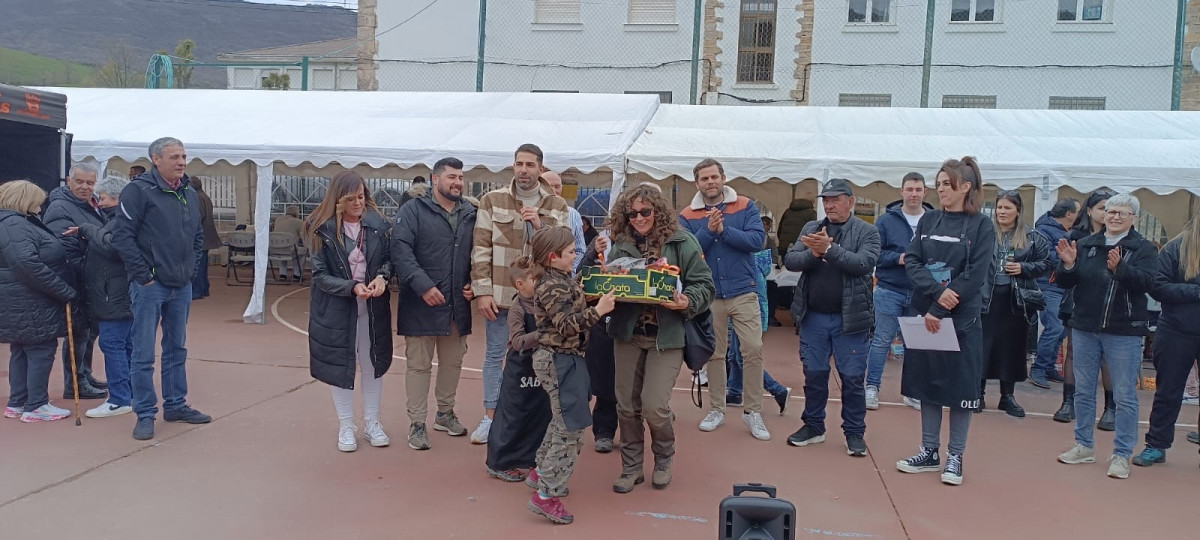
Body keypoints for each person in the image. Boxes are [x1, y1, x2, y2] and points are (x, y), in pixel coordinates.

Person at [606, 183, 714, 493]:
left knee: (653, 406)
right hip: (627, 334)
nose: (639, 218)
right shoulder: (621, 245)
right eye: (633, 213)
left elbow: (705, 286)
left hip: (666, 337)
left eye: (645, 212)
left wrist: (686, 300)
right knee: (626, 405)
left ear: (658, 212)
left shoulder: (682, 241)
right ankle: (631, 467)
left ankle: (664, 458)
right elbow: (610, 285)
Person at [896, 157, 995, 486]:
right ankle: (928, 451)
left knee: (960, 390)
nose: (939, 190)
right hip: (927, 317)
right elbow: (913, 260)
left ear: (965, 187)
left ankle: (955, 456)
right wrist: (936, 296)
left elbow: (976, 274)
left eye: (945, 184)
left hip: (961, 322)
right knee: (928, 385)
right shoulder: (929, 221)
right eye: (937, 184)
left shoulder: (982, 226)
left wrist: (943, 304)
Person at [111, 137, 212, 440]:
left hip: (180, 285)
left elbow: (197, 235)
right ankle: (145, 413)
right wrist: (144, 275)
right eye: (174, 157)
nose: (181, 162)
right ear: (156, 159)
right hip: (149, 286)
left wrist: (191, 270)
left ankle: (176, 404)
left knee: (176, 348)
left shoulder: (189, 194)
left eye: (183, 156)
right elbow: (122, 237)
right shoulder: (138, 191)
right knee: (143, 353)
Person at [470, 143, 569, 444]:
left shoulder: (557, 206)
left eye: (530, 165)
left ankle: (537, 419)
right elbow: (480, 248)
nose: (523, 170)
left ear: (541, 168)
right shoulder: (492, 200)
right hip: (500, 296)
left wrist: (540, 226)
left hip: (542, 301)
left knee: (543, 359)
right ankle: (490, 417)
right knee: (495, 355)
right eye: (519, 164)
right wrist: (482, 291)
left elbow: (562, 251)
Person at [1054, 193, 1157, 479]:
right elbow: (1065, 282)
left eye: (1122, 213)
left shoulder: (1143, 249)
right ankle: (1084, 445)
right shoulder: (1086, 244)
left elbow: (1149, 282)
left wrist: (1121, 269)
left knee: (1125, 395)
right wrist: (1068, 265)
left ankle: (1122, 453)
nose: (1114, 217)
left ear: (1133, 218)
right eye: (1111, 211)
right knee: (1084, 391)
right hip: (1085, 328)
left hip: (1124, 331)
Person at [523, 227, 616, 525]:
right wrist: (599, 310)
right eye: (570, 252)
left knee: (561, 418)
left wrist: (592, 292)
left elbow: (571, 297)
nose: (575, 255)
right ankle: (547, 494)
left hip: (564, 359)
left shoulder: (559, 279)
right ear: (553, 257)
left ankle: (540, 472)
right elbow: (567, 324)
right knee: (571, 429)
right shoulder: (552, 285)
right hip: (560, 360)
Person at [783, 178, 880, 457]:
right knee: (814, 376)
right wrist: (814, 253)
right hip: (813, 317)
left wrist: (829, 250)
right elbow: (791, 260)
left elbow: (863, 264)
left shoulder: (867, 231)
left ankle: (854, 433)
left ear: (851, 201)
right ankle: (813, 426)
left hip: (850, 320)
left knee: (852, 379)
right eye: (826, 200)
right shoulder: (811, 227)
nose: (830, 204)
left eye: (836, 199)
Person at [679, 158, 770, 441]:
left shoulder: (745, 205)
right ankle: (717, 408)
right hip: (709, 294)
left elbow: (758, 241)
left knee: (753, 349)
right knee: (715, 354)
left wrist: (724, 231)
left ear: (723, 178)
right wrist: (709, 230)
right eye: (704, 179)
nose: (710, 182)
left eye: (714, 177)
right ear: (697, 183)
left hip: (743, 290)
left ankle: (753, 410)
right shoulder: (687, 215)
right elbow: (688, 252)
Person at [391, 157, 477, 449]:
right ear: (434, 179)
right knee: (418, 365)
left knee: (453, 362)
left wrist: (476, 284)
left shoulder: (470, 213)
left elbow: (481, 253)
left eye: (461, 178)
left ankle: (445, 413)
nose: (457, 182)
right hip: (421, 304)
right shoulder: (412, 210)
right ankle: (417, 424)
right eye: (452, 176)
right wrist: (422, 285)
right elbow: (400, 251)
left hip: (457, 304)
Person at [306, 170, 394, 452]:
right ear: (337, 200)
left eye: (362, 197)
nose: (359, 203)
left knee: (373, 365)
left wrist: (382, 277)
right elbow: (319, 274)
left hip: (372, 308)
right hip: (337, 309)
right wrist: (352, 287)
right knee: (342, 366)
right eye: (351, 199)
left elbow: (388, 260)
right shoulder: (321, 228)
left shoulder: (378, 225)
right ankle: (346, 425)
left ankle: (372, 423)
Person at [0, 180, 78, 422]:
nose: (40, 205)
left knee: (22, 349)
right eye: (37, 200)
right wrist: (63, 290)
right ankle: (36, 404)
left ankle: (18, 402)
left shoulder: (12, 223)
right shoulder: (15, 224)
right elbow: (27, 264)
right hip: (30, 299)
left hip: (21, 297)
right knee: (40, 348)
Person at [1134, 216, 1200, 467]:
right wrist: (1196, 292)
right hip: (1176, 331)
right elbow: (1157, 286)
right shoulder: (1176, 247)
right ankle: (1156, 446)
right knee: (1168, 392)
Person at [979, 191, 1051, 417]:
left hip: (1016, 300)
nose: (1002, 212)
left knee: (1011, 348)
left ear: (1018, 211)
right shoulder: (985, 232)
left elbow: (1048, 263)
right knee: (982, 347)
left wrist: (1024, 268)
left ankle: (1007, 396)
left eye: (1007, 208)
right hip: (986, 297)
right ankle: (976, 394)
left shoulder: (1032, 236)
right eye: (999, 207)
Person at [866, 172, 933, 411]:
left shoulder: (935, 219)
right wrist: (899, 258)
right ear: (901, 191)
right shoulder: (886, 221)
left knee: (916, 344)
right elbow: (875, 254)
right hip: (889, 289)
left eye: (918, 189)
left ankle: (912, 392)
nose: (914, 194)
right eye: (910, 189)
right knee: (882, 340)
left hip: (921, 293)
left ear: (925, 192)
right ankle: (871, 388)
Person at [1054, 189, 1118, 427]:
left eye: (1111, 209)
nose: (1107, 214)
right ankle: (1067, 402)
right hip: (1077, 301)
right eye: (1102, 208)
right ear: (1089, 211)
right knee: (1072, 352)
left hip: (1108, 303)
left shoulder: (1119, 237)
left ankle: (1110, 408)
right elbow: (1062, 272)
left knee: (1106, 356)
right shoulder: (1075, 236)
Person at [43, 162, 107, 400]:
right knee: (78, 332)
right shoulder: (61, 207)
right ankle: (75, 382)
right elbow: (64, 249)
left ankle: (85, 374)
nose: (84, 187)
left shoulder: (92, 205)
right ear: (68, 181)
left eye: (90, 183)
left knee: (89, 331)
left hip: (91, 278)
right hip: (76, 278)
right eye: (79, 182)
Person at [485, 258, 552, 480]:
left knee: (539, 415)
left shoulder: (543, 302)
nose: (541, 283)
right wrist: (543, 334)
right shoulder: (517, 309)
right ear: (520, 284)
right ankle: (499, 462)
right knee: (512, 416)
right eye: (535, 279)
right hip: (520, 370)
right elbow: (517, 342)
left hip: (541, 371)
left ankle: (532, 458)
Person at [75, 176, 135, 418]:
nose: (100, 202)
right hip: (117, 294)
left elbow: (113, 247)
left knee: (113, 344)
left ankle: (120, 398)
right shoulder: (121, 219)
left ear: (118, 199)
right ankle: (128, 393)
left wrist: (87, 230)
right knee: (124, 345)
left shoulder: (122, 221)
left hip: (115, 296)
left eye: (104, 198)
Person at [1031, 198, 1080, 388]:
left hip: (1060, 287)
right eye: (1077, 212)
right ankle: (1039, 368)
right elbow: (1044, 256)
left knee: (1060, 330)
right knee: (1055, 327)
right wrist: (1068, 259)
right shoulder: (1045, 231)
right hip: (1048, 285)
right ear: (1069, 214)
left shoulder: (1063, 232)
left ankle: (1048, 366)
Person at [578, 237, 618, 453]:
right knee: (604, 375)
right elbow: (580, 273)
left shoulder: (648, 238)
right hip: (601, 316)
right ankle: (604, 430)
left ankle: (634, 436)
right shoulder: (601, 240)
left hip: (636, 316)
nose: (636, 219)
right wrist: (592, 253)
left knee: (637, 383)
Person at [540, 171, 586, 271]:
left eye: (557, 186)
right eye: (549, 186)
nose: (553, 190)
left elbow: (580, 250)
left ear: (562, 188)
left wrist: (569, 270)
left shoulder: (574, 214)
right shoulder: (533, 211)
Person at [189, 177, 222, 298]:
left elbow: (197, 217)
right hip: (207, 236)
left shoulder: (197, 198)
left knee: (197, 265)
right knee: (202, 265)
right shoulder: (204, 196)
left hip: (201, 237)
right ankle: (204, 288)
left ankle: (197, 291)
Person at [776, 191, 817, 258]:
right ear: (812, 202)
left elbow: (779, 229)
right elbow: (813, 231)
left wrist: (782, 241)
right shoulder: (811, 213)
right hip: (800, 247)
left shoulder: (788, 211)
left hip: (784, 245)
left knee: (784, 266)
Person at [273, 206, 307, 282]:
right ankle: (297, 274)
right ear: (296, 213)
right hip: (290, 250)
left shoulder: (278, 220)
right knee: (303, 251)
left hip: (276, 249)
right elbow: (303, 236)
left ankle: (283, 273)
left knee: (282, 246)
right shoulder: (298, 222)